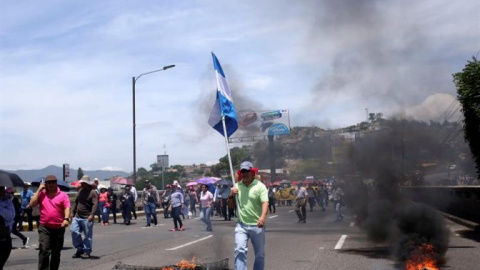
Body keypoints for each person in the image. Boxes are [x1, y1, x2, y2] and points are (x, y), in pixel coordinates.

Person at [28, 175, 71, 270]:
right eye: (49, 183)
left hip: (59, 227)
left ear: (56, 183)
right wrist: (39, 189)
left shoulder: (63, 195)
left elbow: (67, 207)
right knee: (44, 250)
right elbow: (32, 203)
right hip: (45, 227)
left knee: (56, 252)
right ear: (45, 184)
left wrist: (66, 219)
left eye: (53, 182)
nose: (51, 184)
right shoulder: (42, 194)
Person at [231, 161, 268, 270]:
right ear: (240, 173)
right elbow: (231, 206)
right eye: (243, 171)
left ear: (252, 172)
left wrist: (262, 217)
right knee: (239, 249)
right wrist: (231, 195)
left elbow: (265, 202)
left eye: (247, 171)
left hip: (257, 225)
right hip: (241, 225)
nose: (245, 173)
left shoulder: (260, 186)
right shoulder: (237, 186)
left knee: (259, 254)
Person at [70, 175, 98, 259]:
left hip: (87, 217)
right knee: (74, 231)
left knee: (87, 236)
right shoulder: (80, 191)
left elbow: (95, 204)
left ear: (87, 184)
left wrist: (92, 215)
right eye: (81, 183)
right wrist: (72, 212)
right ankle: (79, 249)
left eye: (83, 183)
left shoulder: (93, 192)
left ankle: (87, 251)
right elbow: (76, 202)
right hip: (77, 216)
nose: (81, 184)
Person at [0, 186, 15, 269]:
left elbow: (10, 216)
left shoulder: (7, 201)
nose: (2, 191)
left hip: (4, 237)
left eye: (2, 189)